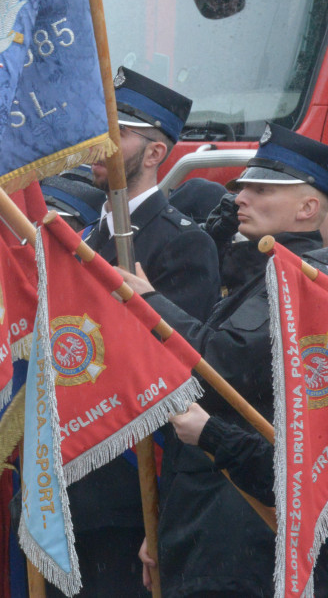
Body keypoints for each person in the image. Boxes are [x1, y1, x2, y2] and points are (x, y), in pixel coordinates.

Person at [121, 122, 328, 597]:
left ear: (308, 208)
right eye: (242, 187)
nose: (240, 198)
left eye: (260, 189)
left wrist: (149, 302)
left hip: (239, 523)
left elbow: (221, 366)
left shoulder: (298, 284)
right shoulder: (263, 273)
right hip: (210, 518)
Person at [62, 67, 221, 597]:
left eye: (120, 133)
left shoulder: (182, 243)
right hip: (66, 480)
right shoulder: (84, 237)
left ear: (154, 153)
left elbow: (184, 367)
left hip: (126, 489)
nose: (100, 145)